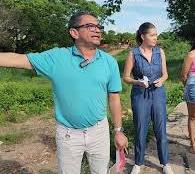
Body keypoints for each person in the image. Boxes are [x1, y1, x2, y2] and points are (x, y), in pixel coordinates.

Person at [0, 12, 128, 173]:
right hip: (68, 135)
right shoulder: (57, 58)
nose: (97, 30)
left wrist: (118, 131)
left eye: (98, 26)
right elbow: (18, 59)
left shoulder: (109, 62)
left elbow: (114, 98)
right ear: (74, 33)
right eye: (90, 26)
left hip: (99, 131)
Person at [123, 22, 174, 174]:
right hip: (140, 95)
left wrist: (162, 80)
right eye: (152, 35)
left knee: (161, 129)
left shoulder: (160, 52)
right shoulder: (133, 53)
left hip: (158, 93)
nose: (155, 38)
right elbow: (125, 77)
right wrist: (137, 82)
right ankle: (138, 163)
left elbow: (165, 74)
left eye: (156, 35)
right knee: (140, 129)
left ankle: (165, 163)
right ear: (143, 36)